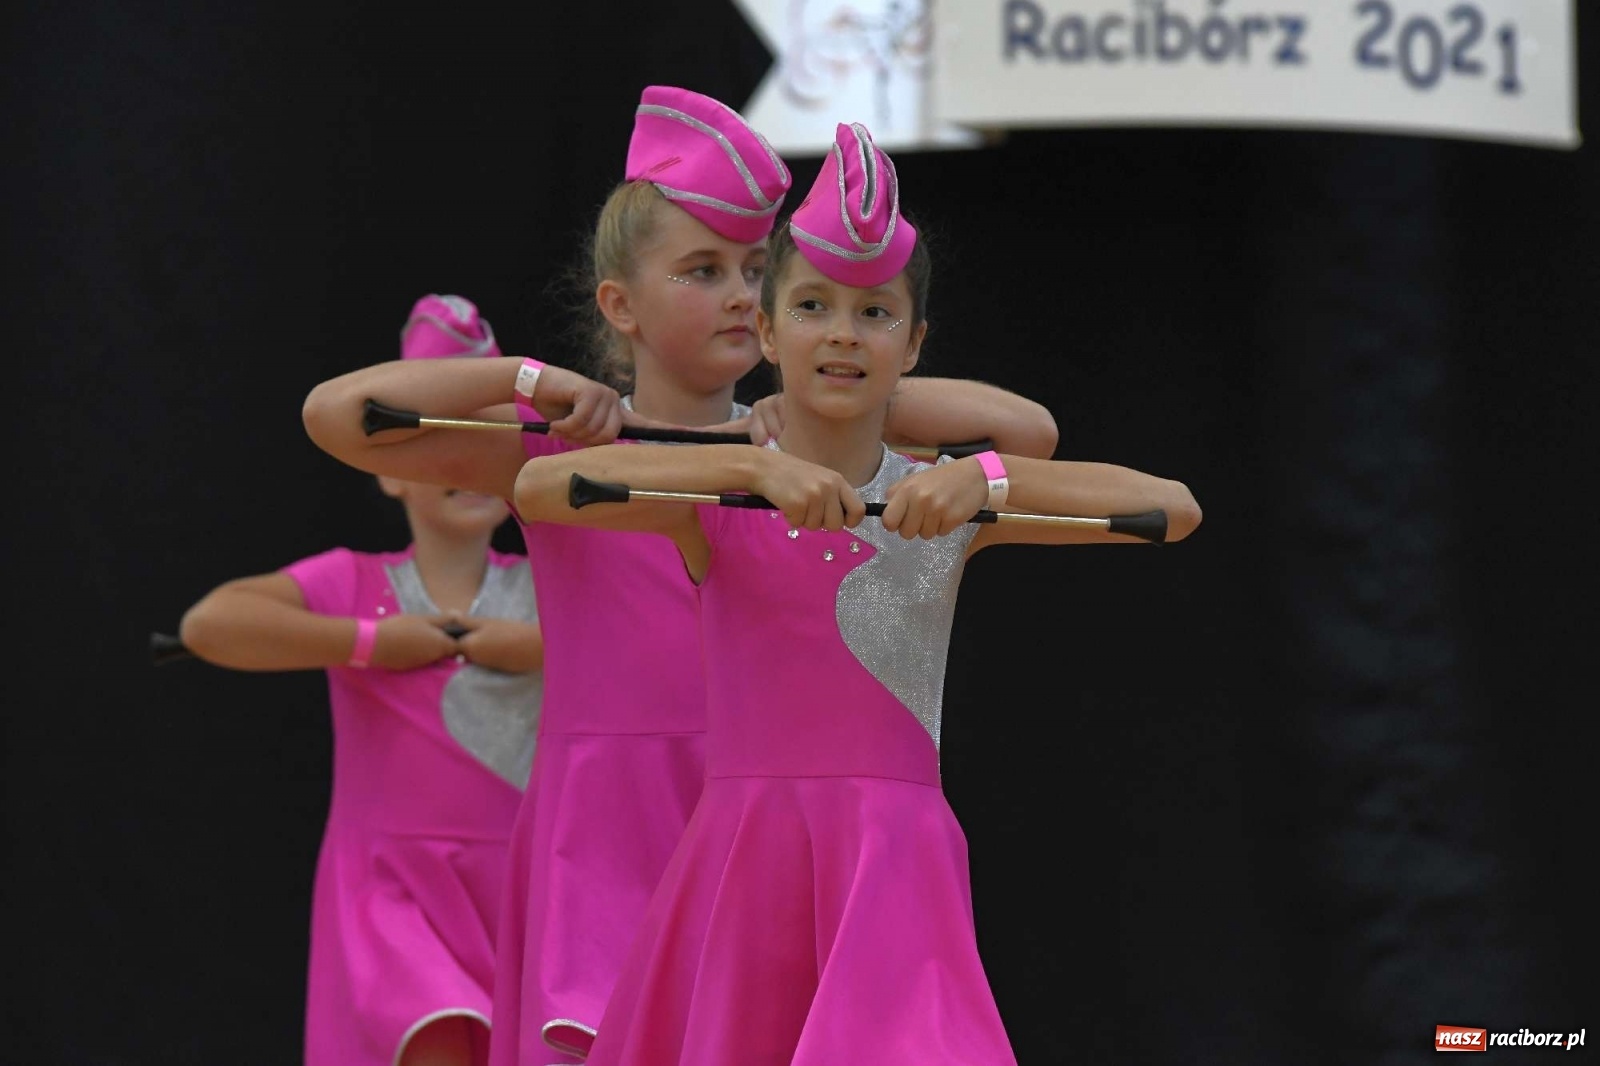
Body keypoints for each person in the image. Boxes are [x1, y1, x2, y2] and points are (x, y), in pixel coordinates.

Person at [300, 86, 1059, 1065]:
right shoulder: (563, 453)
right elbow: (338, 414)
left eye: (757, 270)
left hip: (757, 811)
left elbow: (1027, 436)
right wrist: (527, 381)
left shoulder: (793, 448)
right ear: (620, 304)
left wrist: (828, 385)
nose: (743, 294)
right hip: (606, 826)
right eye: (705, 271)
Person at [510, 120, 1202, 1065]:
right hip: (746, 862)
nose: (842, 332)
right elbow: (543, 489)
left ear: (913, 344)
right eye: (812, 306)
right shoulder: (716, 495)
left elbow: (1173, 508)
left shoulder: (940, 500)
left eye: (875, 313)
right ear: (765, 331)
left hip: (894, 866)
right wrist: (753, 477)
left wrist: (985, 481)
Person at [180, 294, 543, 1066]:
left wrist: (544, 650)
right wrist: (374, 642)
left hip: (523, 886)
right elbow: (209, 625)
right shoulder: (354, 582)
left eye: (487, 431)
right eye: (438, 437)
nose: (464, 458)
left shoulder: (554, 586)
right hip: (392, 892)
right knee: (434, 1036)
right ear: (390, 473)